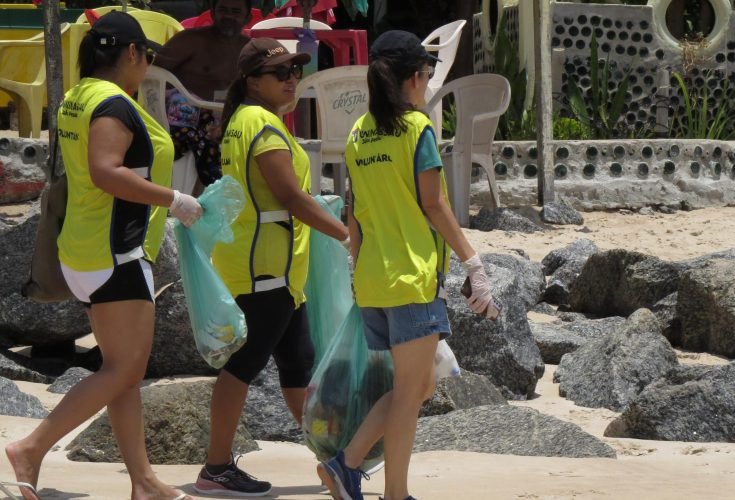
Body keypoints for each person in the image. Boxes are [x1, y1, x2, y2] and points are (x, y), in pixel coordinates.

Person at [4, 11, 202, 500]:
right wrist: (174, 199)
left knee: (123, 372)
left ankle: (143, 481)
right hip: (115, 252)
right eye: (148, 56)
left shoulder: (78, 96)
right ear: (132, 53)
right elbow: (105, 172)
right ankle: (30, 447)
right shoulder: (112, 104)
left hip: (85, 248)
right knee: (122, 371)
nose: (148, 65)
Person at [316, 30, 500, 500]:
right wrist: (473, 263)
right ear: (414, 78)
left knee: (413, 389)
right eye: (429, 73)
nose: (429, 80)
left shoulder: (359, 133)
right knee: (411, 392)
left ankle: (346, 463)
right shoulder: (416, 128)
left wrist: (358, 273)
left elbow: (353, 212)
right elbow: (435, 205)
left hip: (375, 280)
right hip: (412, 277)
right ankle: (392, 492)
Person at [192, 38, 349, 497]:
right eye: (279, 72)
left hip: (270, 268)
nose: (290, 79)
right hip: (266, 269)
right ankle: (216, 467)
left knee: (298, 364)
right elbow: (291, 197)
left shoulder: (244, 119)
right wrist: (347, 235)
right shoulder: (260, 122)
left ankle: (337, 461)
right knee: (243, 366)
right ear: (251, 80)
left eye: (295, 70)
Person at [154, 0, 252, 188]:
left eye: (235, 11)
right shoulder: (190, 40)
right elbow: (152, 74)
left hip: (227, 119)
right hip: (182, 122)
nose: (229, 16)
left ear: (247, 17)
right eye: (223, 10)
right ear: (213, 13)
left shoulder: (249, 50)